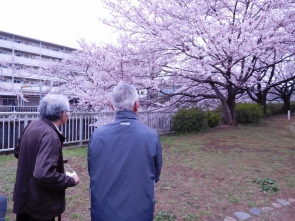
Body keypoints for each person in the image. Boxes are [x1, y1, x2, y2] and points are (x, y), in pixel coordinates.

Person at [88, 84, 162, 221]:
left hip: (104, 213)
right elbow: (155, 175)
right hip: (140, 212)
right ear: (137, 105)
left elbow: (92, 171)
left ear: (112, 105)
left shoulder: (97, 135)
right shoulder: (151, 136)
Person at [13, 94, 80, 221]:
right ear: (63, 114)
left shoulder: (33, 125)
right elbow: (44, 174)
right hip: (39, 204)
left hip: (25, 197)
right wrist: (70, 180)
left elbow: (18, 152)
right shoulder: (50, 135)